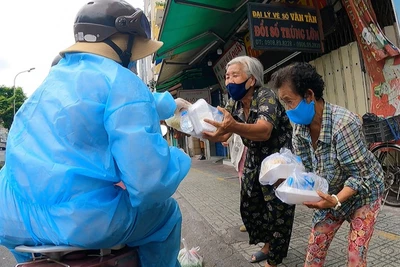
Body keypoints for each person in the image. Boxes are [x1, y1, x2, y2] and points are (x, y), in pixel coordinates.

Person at [0, 1, 191, 266]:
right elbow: (149, 185)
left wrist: (170, 104)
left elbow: (119, 102)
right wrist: (179, 158)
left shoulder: (49, 83)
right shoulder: (122, 81)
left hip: (12, 218)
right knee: (167, 215)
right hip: (83, 222)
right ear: (123, 40)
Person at [270, 62, 385, 267]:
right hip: (330, 193)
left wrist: (335, 199)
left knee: (355, 256)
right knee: (314, 252)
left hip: (364, 193)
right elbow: (306, 170)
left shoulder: (344, 124)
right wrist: (288, 178)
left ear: (309, 95)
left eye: (289, 102)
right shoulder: (300, 130)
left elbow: (361, 177)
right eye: (284, 104)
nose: (287, 110)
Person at [202, 56, 295, 267]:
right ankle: (268, 244)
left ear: (251, 80)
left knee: (278, 210)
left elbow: (263, 131)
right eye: (227, 76)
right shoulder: (234, 102)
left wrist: (232, 126)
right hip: (254, 159)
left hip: (277, 162)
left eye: (235, 75)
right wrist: (203, 132)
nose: (229, 81)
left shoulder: (266, 96)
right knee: (252, 205)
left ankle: (274, 258)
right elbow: (223, 134)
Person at [223, 133, 248, 232]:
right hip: (241, 160)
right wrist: (226, 138)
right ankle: (248, 222)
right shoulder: (238, 117)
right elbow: (230, 130)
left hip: (256, 161)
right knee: (245, 194)